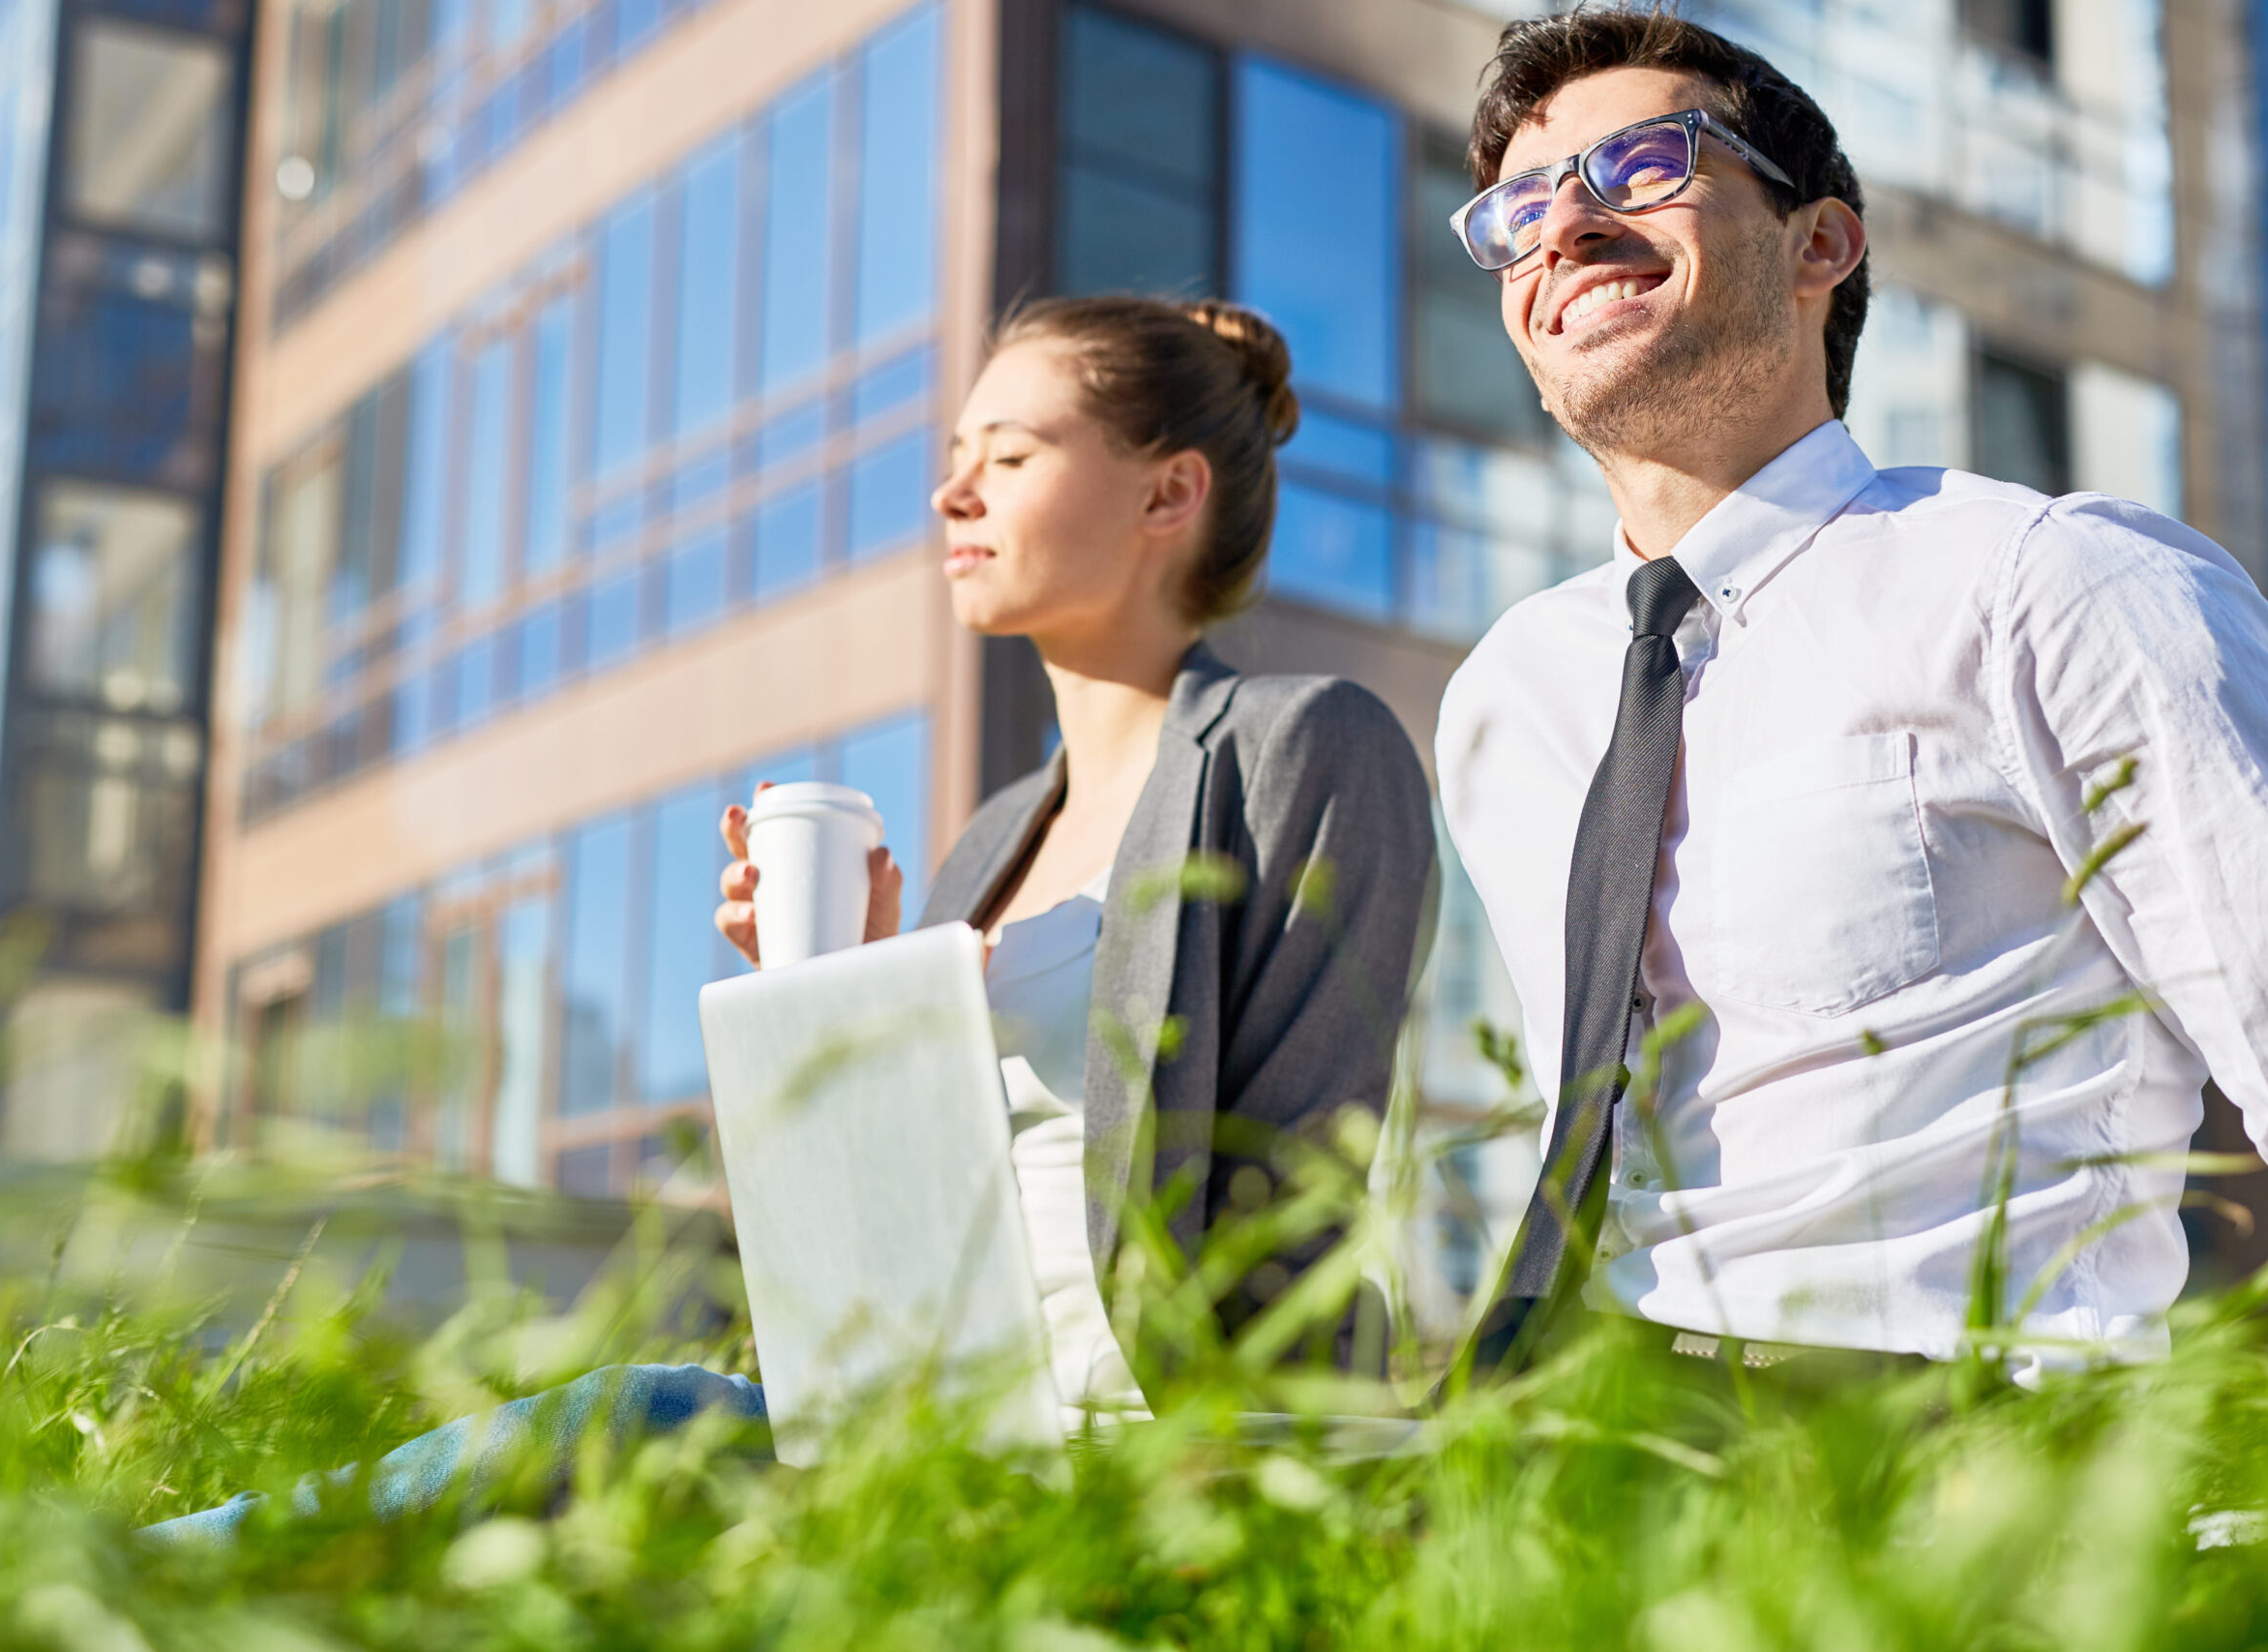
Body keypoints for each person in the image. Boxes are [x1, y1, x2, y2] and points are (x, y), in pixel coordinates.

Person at [147, 298, 1433, 1542]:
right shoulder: (991, 842)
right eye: (953, 459)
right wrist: (839, 1006)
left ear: (1168, 494)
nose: (954, 494)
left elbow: (1299, 1199)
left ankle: (115, 1591)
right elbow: (874, 1247)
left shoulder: (1299, 747)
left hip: (1138, 1462)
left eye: (1012, 455)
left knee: (637, 1414)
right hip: (915, 1429)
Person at [1433, 10, 2268, 1418]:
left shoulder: (2052, 584)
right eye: (1519, 210)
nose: (1566, 227)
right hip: (1594, 1461)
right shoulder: (1510, 693)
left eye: (1643, 163)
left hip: (1964, 1467)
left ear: (1819, 246)